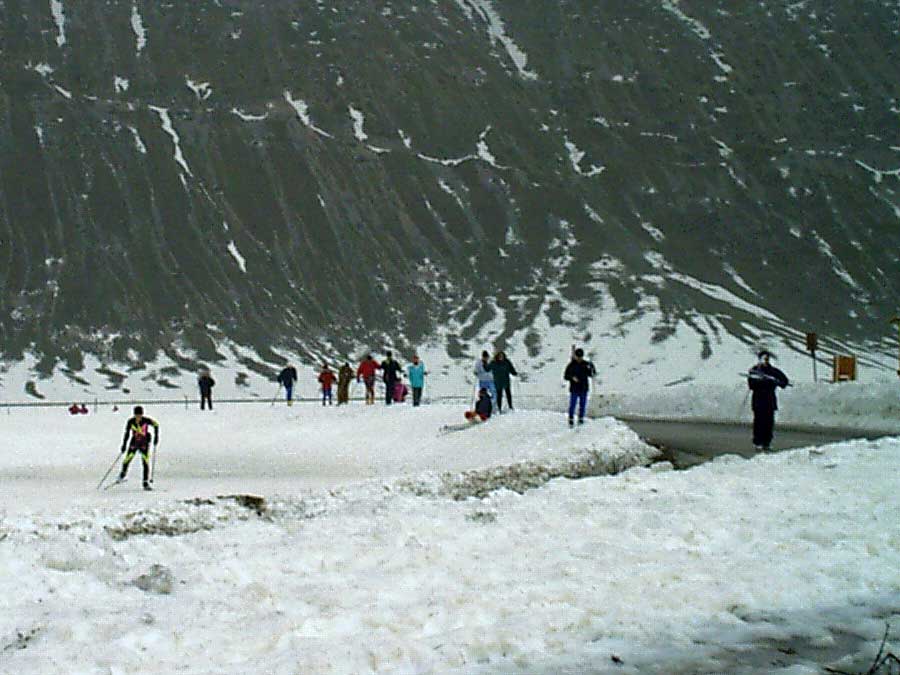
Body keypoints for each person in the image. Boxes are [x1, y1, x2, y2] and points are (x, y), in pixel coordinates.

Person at [747, 350, 790, 450]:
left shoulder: (773, 371)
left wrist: (776, 382)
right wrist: (762, 381)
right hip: (758, 401)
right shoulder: (754, 370)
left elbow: (784, 381)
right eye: (763, 359)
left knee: (769, 423)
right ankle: (758, 442)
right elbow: (751, 385)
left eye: (767, 359)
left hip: (769, 401)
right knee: (758, 422)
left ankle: (767, 442)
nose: (765, 361)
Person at [117, 405, 159, 491]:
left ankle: (145, 482)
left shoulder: (146, 420)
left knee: (145, 462)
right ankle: (122, 474)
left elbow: (156, 425)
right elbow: (127, 433)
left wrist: (156, 437)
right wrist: (124, 445)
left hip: (144, 443)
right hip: (134, 443)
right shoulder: (130, 422)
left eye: (140, 415)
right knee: (127, 459)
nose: (138, 417)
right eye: (137, 415)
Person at [563, 348, 596, 427]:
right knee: (573, 404)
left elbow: (592, 374)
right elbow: (566, 376)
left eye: (580, 357)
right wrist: (572, 377)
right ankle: (571, 418)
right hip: (574, 389)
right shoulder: (571, 365)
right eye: (578, 357)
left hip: (583, 388)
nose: (579, 358)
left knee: (582, 404)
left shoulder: (586, 364)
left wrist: (592, 366)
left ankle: (581, 418)